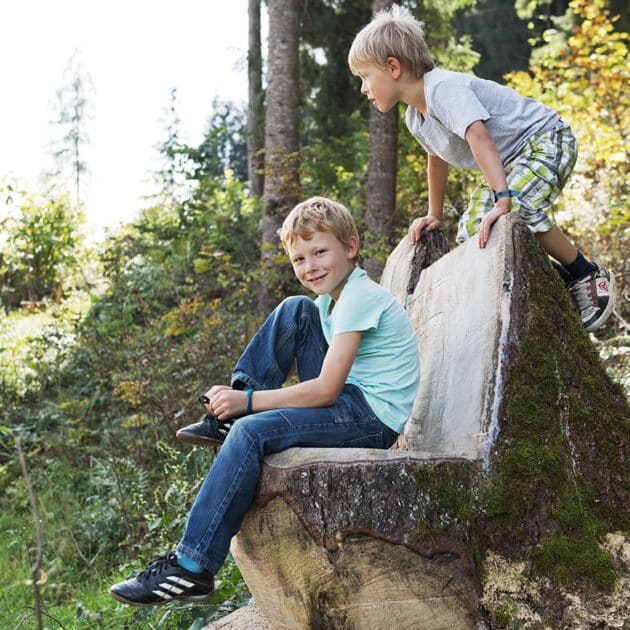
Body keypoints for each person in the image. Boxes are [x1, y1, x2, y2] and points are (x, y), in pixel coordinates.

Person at [109, 196, 420, 606]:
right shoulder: (330, 300)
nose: (310, 267)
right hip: (352, 399)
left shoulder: (360, 297)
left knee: (252, 431)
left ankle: (192, 567)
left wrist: (250, 404)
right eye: (299, 259)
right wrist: (246, 396)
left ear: (351, 247)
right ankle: (226, 416)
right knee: (297, 310)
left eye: (320, 252)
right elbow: (329, 383)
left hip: (369, 418)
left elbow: (326, 391)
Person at [348, 5, 615, 332]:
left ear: (392, 67)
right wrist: (435, 214)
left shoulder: (443, 88)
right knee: (474, 228)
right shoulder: (414, 117)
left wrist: (503, 199)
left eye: (364, 77)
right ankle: (553, 283)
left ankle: (585, 273)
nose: (363, 89)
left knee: (517, 209)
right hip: (512, 162)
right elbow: (437, 159)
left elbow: (480, 137)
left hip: (545, 139)